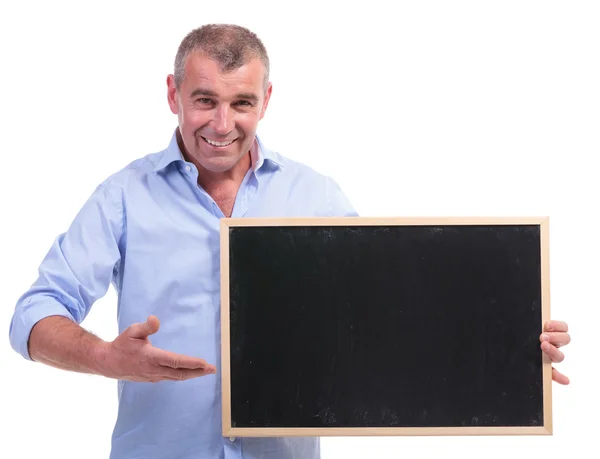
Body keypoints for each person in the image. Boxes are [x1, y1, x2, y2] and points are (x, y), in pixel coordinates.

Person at [8, 24, 571, 459]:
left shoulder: (317, 195)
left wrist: (508, 349)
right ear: (172, 93)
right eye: (204, 100)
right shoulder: (123, 196)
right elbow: (32, 317)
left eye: (242, 103)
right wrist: (109, 359)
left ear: (267, 99)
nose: (222, 124)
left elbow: (385, 326)